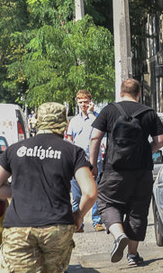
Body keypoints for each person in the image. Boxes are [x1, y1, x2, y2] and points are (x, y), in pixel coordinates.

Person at [0, 102, 97, 273]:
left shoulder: (15, 150)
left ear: (38, 121)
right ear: (64, 124)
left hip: (20, 228)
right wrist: (78, 216)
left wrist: (19, 192)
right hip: (57, 227)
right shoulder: (72, 151)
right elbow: (90, 192)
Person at [89, 78, 163, 266]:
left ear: (121, 92)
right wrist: (146, 150)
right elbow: (161, 140)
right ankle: (132, 255)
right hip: (142, 172)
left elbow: (94, 138)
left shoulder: (109, 110)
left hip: (114, 170)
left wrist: (93, 164)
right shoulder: (149, 113)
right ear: (139, 93)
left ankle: (118, 235)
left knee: (107, 202)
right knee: (138, 211)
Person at [66, 89, 105, 232]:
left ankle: (97, 221)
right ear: (77, 103)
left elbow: (101, 129)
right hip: (76, 162)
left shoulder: (96, 118)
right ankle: (78, 223)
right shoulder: (74, 122)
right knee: (76, 195)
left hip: (94, 161)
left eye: (86, 102)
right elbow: (69, 140)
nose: (83, 105)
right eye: (81, 102)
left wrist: (91, 112)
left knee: (94, 192)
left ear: (90, 102)